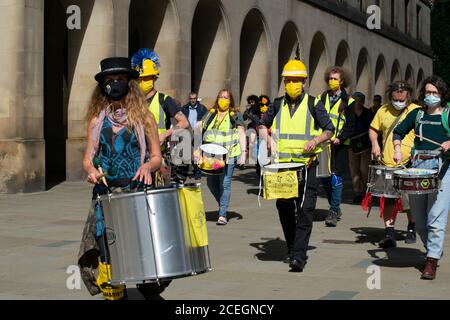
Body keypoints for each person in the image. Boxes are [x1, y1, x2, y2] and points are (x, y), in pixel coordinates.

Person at [77, 57, 163, 300]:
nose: (114, 84)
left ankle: (150, 291)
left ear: (129, 83)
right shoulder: (97, 120)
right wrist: (91, 170)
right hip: (105, 197)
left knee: (145, 258)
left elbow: (157, 156)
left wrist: (148, 165)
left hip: (136, 193)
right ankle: (116, 295)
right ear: (103, 86)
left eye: (120, 80)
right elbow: (88, 157)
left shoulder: (145, 118)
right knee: (108, 256)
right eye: (109, 80)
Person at [258, 57, 334, 272]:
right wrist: (267, 139)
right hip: (282, 166)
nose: (292, 84)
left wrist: (316, 140)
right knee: (283, 207)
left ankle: (299, 256)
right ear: (284, 82)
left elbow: (329, 130)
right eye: (288, 80)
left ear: (304, 82)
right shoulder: (276, 104)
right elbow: (262, 125)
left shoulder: (314, 104)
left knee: (305, 209)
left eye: (296, 80)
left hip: (306, 165)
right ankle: (292, 246)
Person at [393, 76, 450, 280]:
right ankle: (433, 249)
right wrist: (398, 150)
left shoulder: (448, 114)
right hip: (418, 166)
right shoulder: (416, 114)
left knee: (436, 217)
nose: (431, 96)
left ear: (442, 94)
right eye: (428, 92)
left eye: (435, 93)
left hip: (442, 168)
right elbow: (398, 133)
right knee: (418, 221)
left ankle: (431, 260)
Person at [369, 81, 419, 248]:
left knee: (409, 200)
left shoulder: (415, 111)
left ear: (408, 96)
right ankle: (389, 233)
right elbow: (373, 129)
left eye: (401, 99)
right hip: (388, 162)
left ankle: (412, 227)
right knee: (389, 199)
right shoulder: (383, 110)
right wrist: (375, 144)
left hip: (409, 164)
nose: (398, 101)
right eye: (395, 98)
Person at [131, 48, 189, 182]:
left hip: (159, 158)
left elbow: (184, 122)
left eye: (146, 78)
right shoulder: (131, 101)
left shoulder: (165, 100)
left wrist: (165, 134)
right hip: (136, 158)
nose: (142, 81)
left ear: (154, 77)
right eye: (139, 79)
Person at [318, 66, 356, 227]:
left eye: (335, 78)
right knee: (324, 177)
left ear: (342, 81)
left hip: (339, 144)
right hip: (323, 142)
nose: (332, 81)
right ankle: (335, 205)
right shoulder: (321, 98)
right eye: (330, 78)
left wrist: (340, 137)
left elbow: (351, 125)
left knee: (336, 176)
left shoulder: (349, 101)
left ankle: (333, 210)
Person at [202, 89, 247, 225]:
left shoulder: (235, 114)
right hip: (211, 155)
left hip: (229, 154)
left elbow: (241, 132)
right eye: (221, 97)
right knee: (211, 183)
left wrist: (244, 152)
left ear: (230, 100)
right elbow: (202, 129)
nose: (223, 99)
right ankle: (223, 204)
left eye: (226, 97)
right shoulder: (211, 114)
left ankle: (222, 214)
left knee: (225, 184)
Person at [348, 92, 374, 204]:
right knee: (354, 170)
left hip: (366, 146)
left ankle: (367, 193)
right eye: (356, 101)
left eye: (360, 101)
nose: (358, 103)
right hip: (352, 145)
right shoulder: (348, 113)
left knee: (365, 170)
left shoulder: (368, 113)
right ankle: (358, 193)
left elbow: (373, 128)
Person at [182, 92, 208, 180]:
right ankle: (190, 169)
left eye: (194, 99)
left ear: (196, 99)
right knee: (189, 152)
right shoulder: (184, 108)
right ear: (189, 99)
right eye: (191, 99)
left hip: (198, 132)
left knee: (197, 153)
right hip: (187, 132)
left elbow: (207, 120)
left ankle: (197, 171)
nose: (193, 100)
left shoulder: (202, 108)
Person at [244, 95, 261, 165]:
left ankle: (257, 159)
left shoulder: (258, 108)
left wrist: (250, 115)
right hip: (251, 128)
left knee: (256, 145)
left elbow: (257, 118)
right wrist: (247, 111)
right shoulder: (249, 109)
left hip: (257, 128)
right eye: (250, 102)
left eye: (252, 102)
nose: (251, 104)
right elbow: (244, 117)